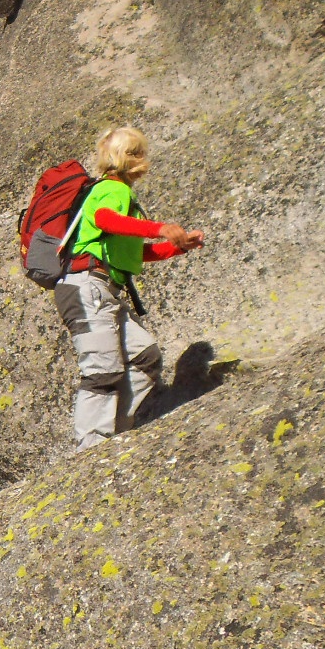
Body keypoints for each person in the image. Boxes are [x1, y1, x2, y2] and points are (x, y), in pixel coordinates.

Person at [55, 127, 205, 450]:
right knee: (101, 370)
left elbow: (138, 253)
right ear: (129, 158)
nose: (143, 159)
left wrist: (178, 247)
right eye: (139, 152)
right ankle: (90, 452)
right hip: (88, 287)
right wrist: (160, 228)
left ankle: (111, 435)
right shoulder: (113, 189)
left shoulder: (121, 194)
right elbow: (106, 219)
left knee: (146, 357)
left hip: (103, 290)